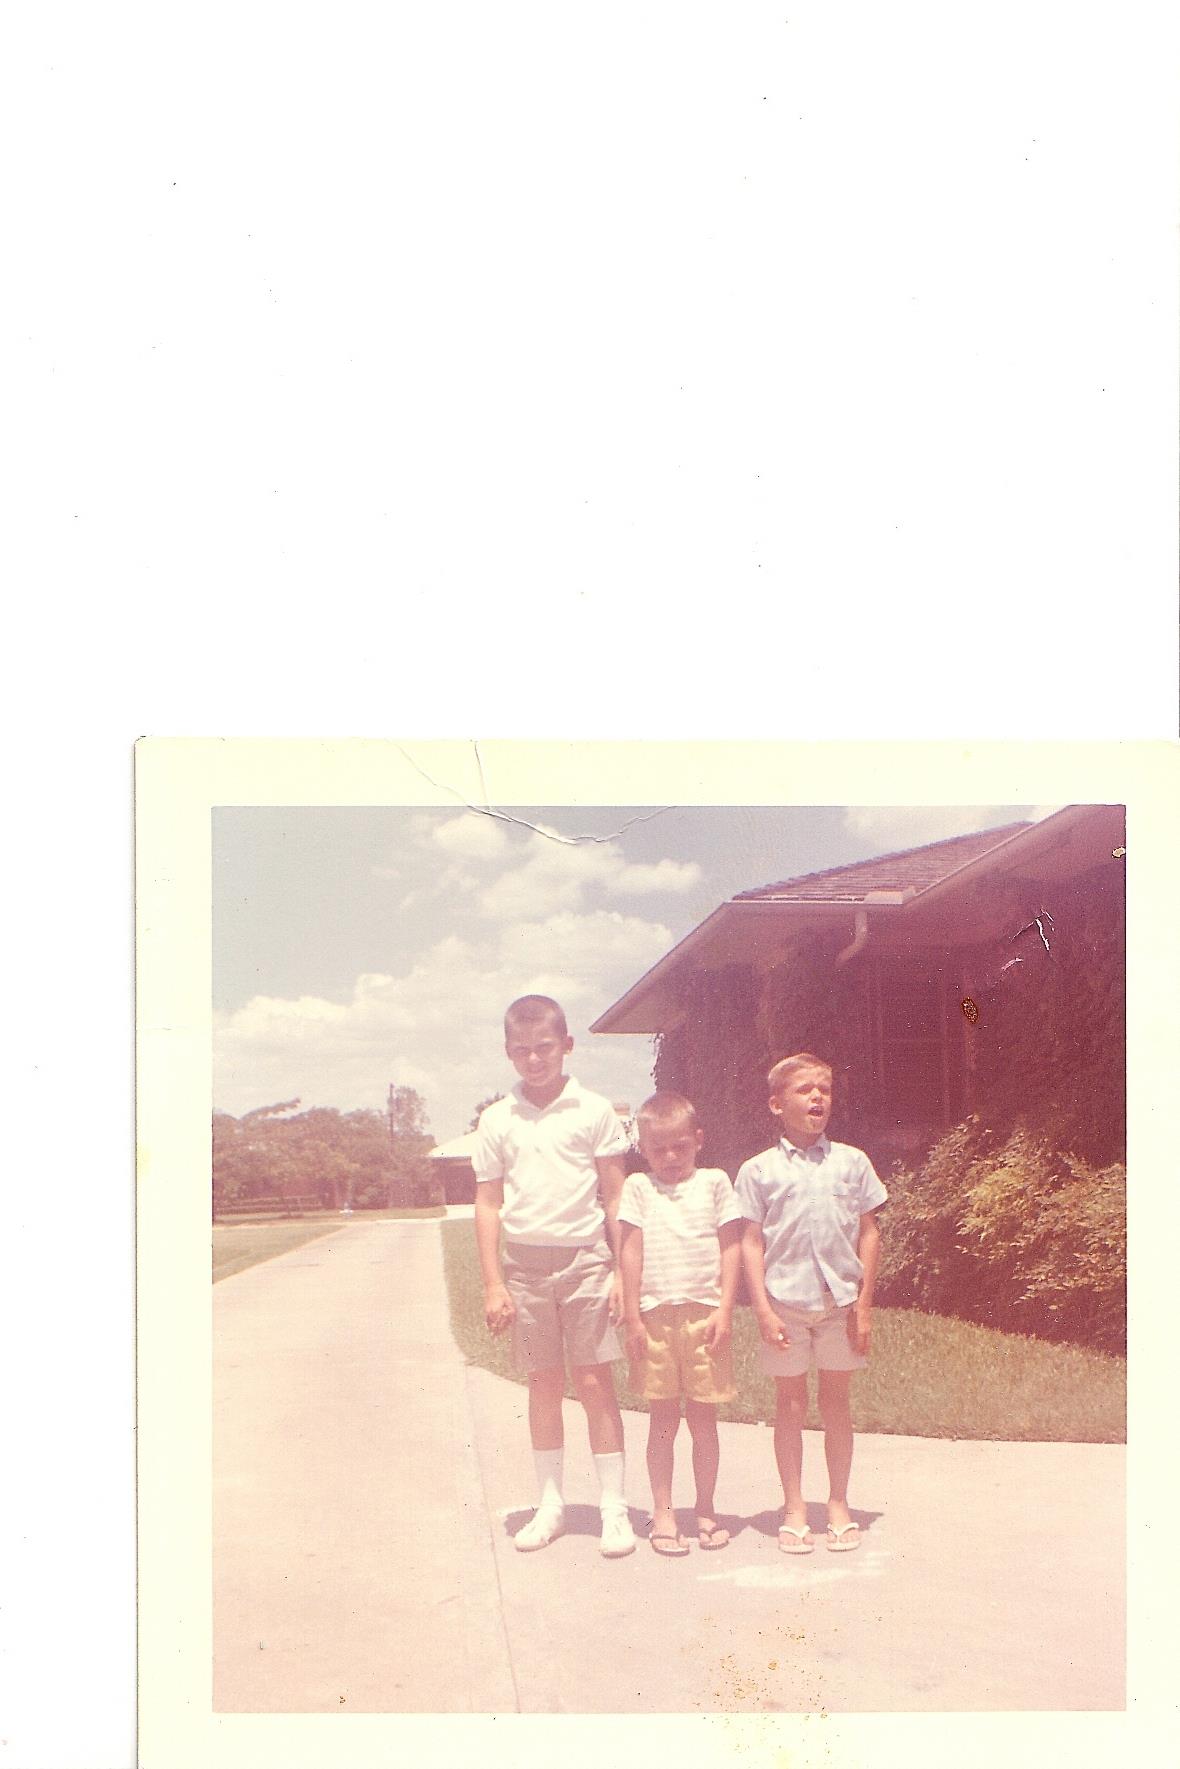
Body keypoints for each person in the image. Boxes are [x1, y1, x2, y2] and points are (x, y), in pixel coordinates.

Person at [472, 994, 636, 1556]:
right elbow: (488, 1203)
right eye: (522, 1051)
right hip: (523, 1267)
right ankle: (551, 1506)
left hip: (587, 1261)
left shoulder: (594, 1111)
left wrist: (620, 1270)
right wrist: (494, 1282)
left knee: (594, 1383)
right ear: (508, 1053)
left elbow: (616, 1196)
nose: (534, 1060)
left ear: (567, 1046)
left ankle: (614, 1510)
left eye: (544, 1048)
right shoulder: (496, 1119)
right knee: (543, 1384)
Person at [736, 1053, 886, 1554]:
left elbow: (869, 1233)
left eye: (824, 1088)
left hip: (840, 1305)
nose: (818, 1097)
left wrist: (864, 1307)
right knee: (790, 1405)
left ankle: (838, 1503)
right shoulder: (758, 1171)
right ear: (777, 1104)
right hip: (786, 1305)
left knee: (837, 1405)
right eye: (804, 1090)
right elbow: (751, 1242)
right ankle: (796, 1506)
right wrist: (762, 1310)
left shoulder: (852, 1162)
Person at [618, 1092, 743, 1556]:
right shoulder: (638, 1188)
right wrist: (632, 1316)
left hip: (705, 1316)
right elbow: (629, 1251)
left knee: (705, 1419)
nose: (670, 1157)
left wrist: (726, 1309)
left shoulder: (714, 1183)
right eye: (658, 1149)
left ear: (698, 1141)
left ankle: (705, 1509)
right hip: (653, 1317)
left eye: (680, 1147)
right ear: (644, 1150)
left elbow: (731, 1247)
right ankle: (665, 1512)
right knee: (663, 1420)